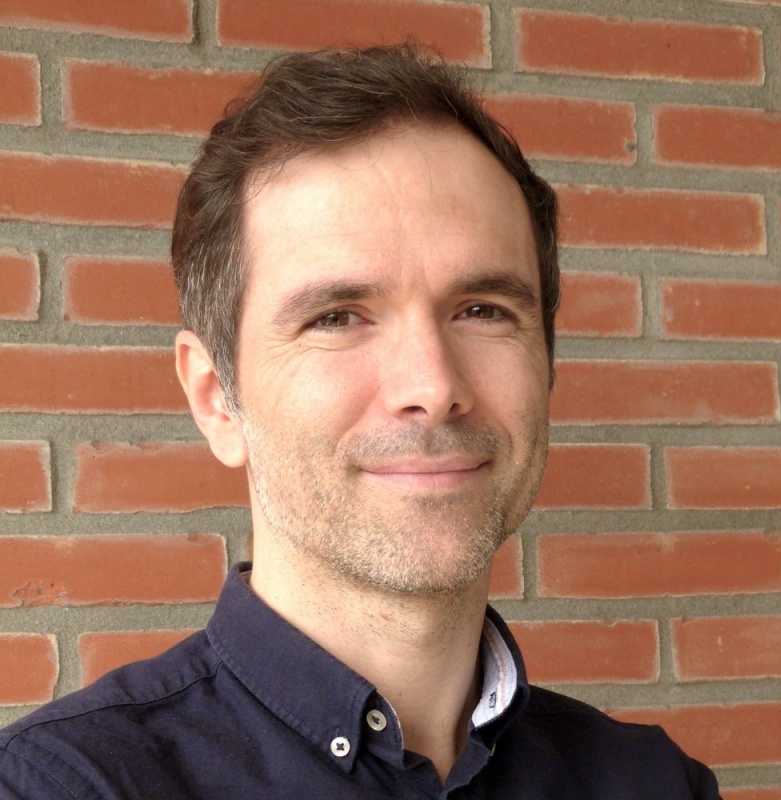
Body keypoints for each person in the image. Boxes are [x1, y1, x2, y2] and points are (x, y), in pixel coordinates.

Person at [0, 43, 721, 799]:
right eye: (338, 317)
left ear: (547, 363)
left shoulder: (655, 783)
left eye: (482, 310)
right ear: (216, 398)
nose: (433, 387)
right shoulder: (61, 787)